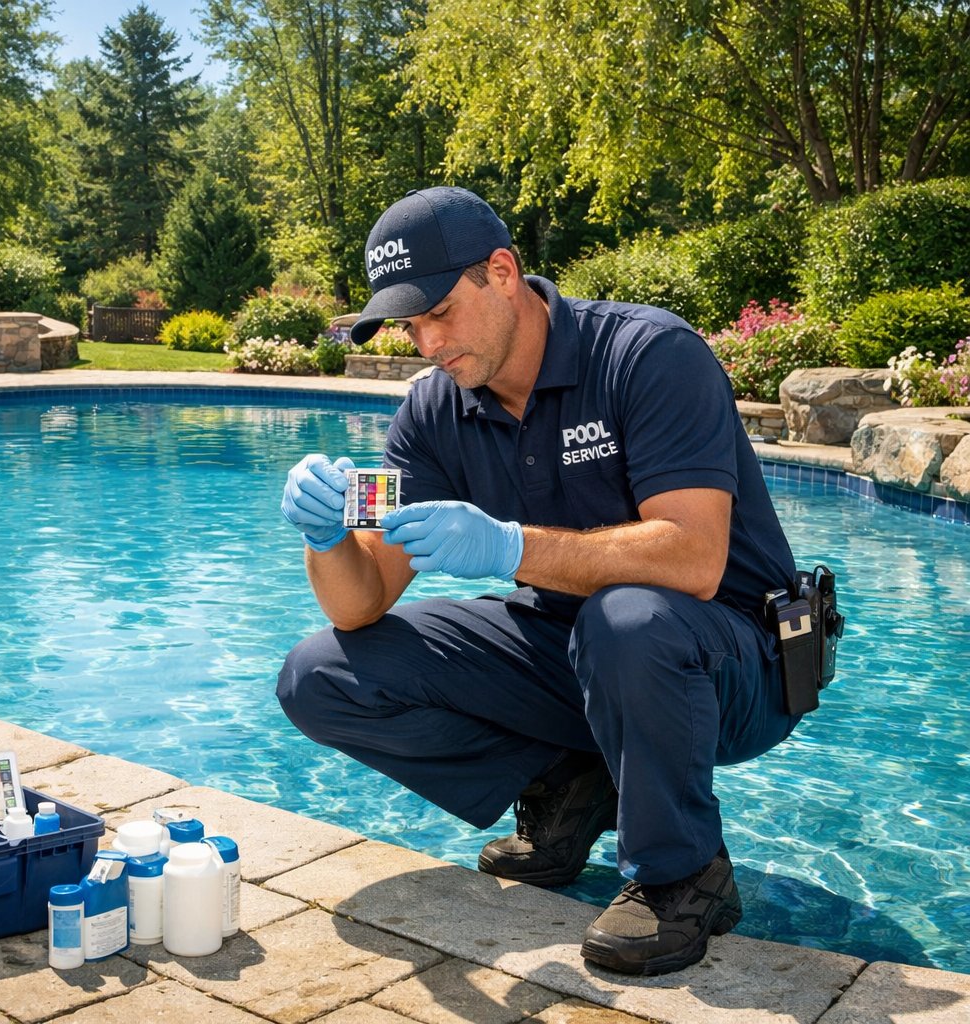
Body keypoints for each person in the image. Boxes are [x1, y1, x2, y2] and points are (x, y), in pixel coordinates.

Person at [277, 186, 804, 976]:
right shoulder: (429, 411)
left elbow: (693, 558)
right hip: (579, 650)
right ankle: (571, 781)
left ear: (502, 271)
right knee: (321, 673)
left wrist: (507, 547)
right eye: (408, 324)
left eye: (439, 312)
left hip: (732, 658)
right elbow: (360, 602)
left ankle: (682, 874)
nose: (425, 343)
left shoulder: (648, 353)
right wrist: (325, 539)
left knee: (627, 621)